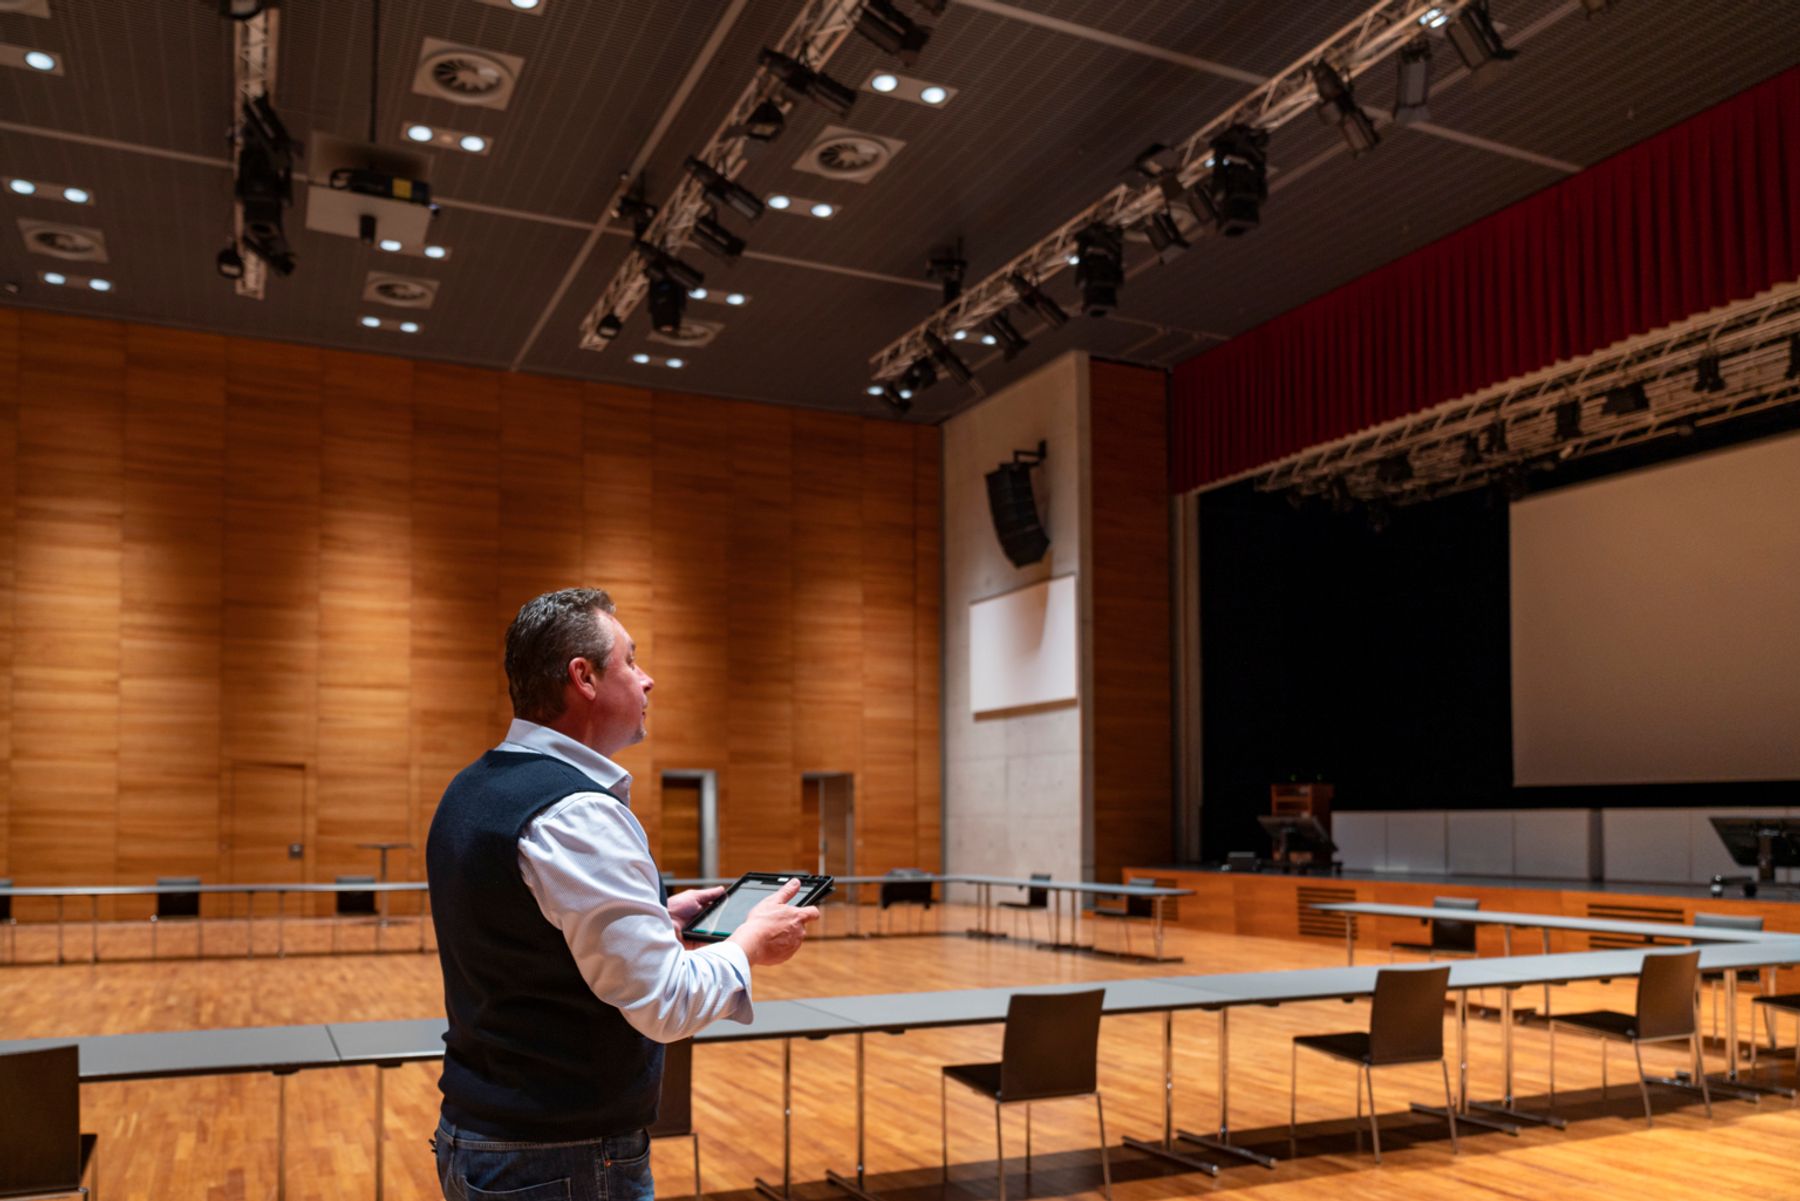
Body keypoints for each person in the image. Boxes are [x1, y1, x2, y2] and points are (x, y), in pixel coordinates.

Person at [428, 587, 819, 1201]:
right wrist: (748, 944)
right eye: (632, 660)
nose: (649, 679)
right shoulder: (576, 811)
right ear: (583, 677)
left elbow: (530, 936)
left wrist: (655, 920)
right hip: (561, 1158)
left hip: (484, 1138)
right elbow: (665, 1004)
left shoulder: (473, 788)